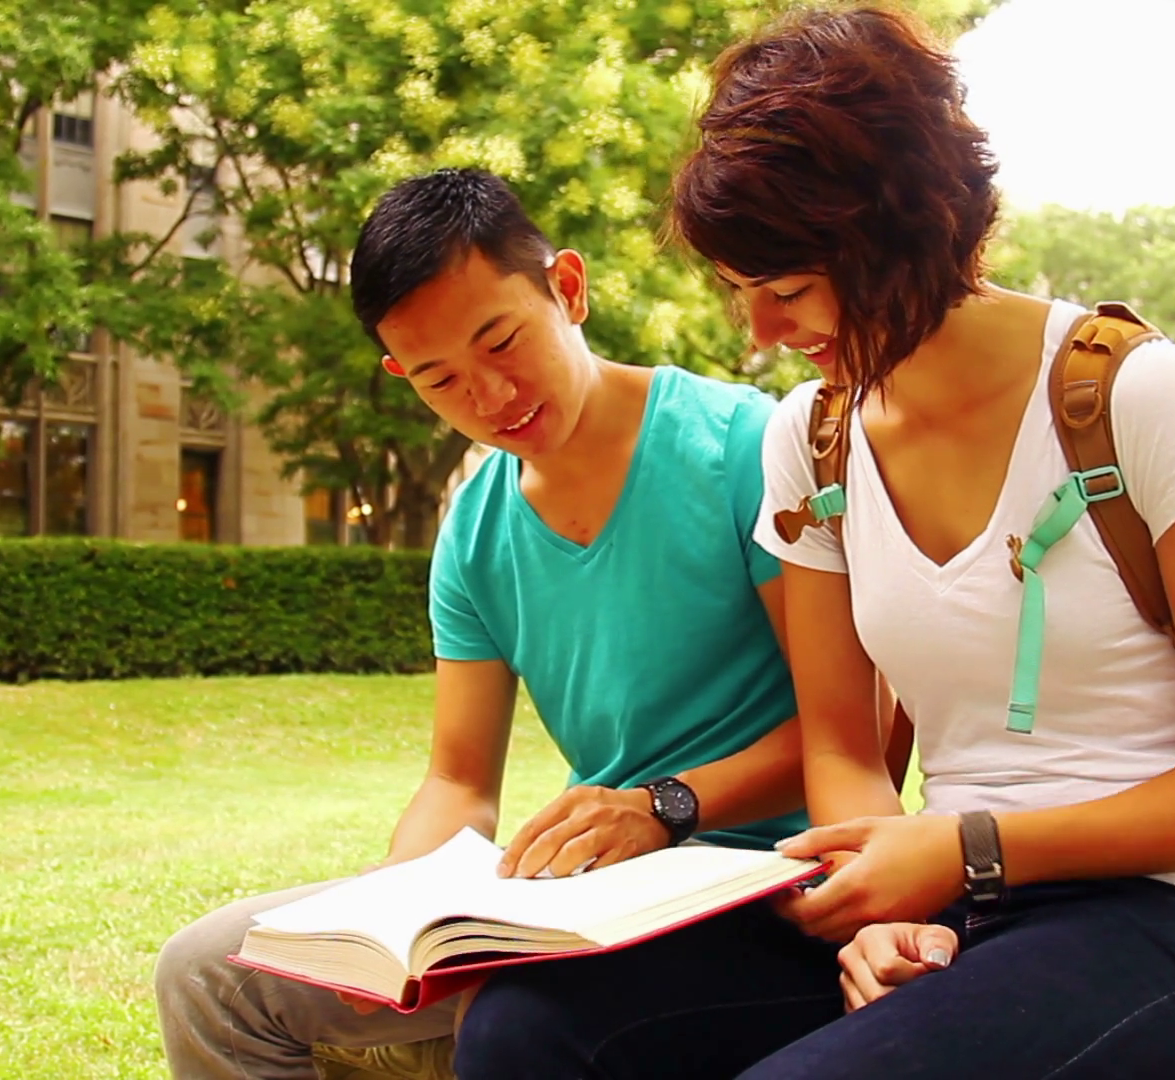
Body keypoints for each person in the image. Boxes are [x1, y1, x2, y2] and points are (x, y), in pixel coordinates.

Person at [665, 6, 1175, 1079]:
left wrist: (969, 850)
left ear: (902, 234)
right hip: (947, 898)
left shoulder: (1138, 396)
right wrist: (881, 914)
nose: (762, 333)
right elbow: (842, 749)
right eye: (741, 293)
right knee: (534, 1029)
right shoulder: (813, 438)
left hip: (1171, 913)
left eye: (786, 291)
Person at [155, 167, 858, 1080]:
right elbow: (458, 779)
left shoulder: (743, 446)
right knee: (206, 977)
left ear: (567, 288)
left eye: (502, 342)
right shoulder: (475, 529)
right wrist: (398, 910)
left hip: (765, 885)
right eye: (440, 379)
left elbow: (852, 734)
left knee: (517, 1020)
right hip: (586, 893)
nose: (490, 397)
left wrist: (664, 806)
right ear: (401, 375)